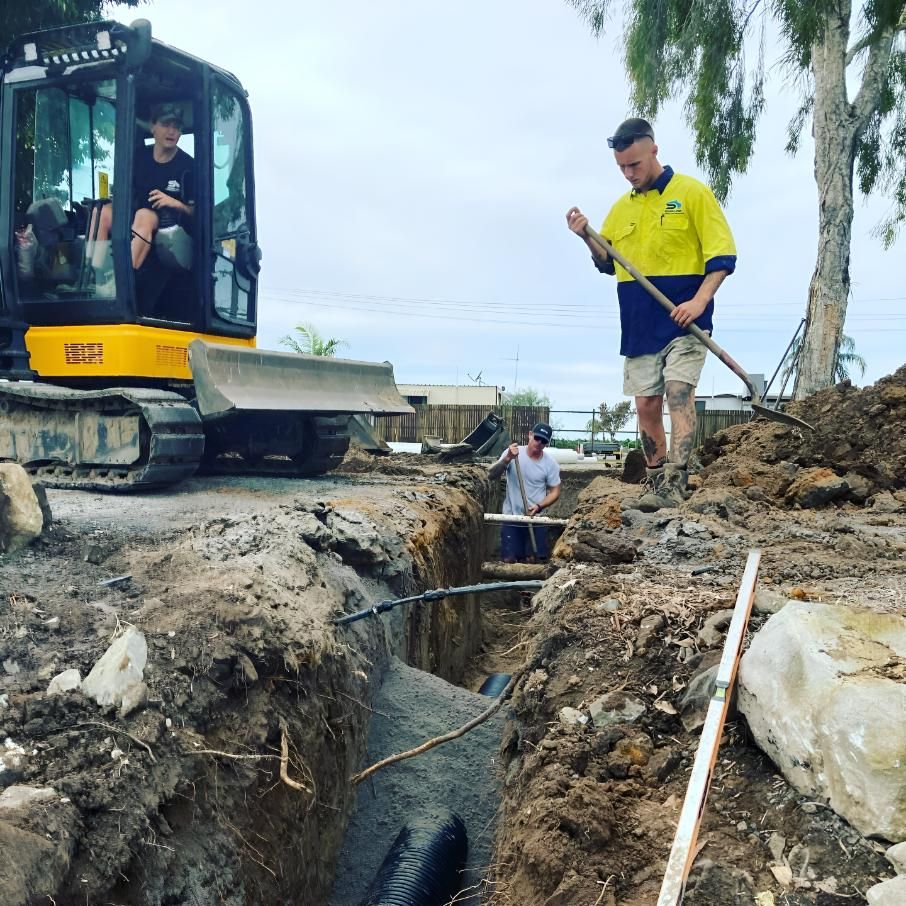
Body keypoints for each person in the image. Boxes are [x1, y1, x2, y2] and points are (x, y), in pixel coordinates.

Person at [565, 117, 736, 511]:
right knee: (646, 406)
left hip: (685, 320)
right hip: (640, 323)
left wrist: (699, 301)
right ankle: (657, 479)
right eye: (622, 167)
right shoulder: (621, 209)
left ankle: (678, 480)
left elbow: (723, 257)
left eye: (635, 165)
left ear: (654, 150)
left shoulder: (691, 194)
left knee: (679, 393)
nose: (629, 174)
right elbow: (607, 263)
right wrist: (586, 238)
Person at [90, 102, 194, 288]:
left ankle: (119, 286)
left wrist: (174, 203)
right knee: (102, 212)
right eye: (165, 125)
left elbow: (197, 213)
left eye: (176, 127)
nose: (171, 132)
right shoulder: (137, 157)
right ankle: (94, 277)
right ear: (153, 127)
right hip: (132, 212)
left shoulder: (188, 166)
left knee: (144, 215)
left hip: (166, 223)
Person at [488, 422, 561, 563]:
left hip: (536, 519)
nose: (539, 443)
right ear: (530, 435)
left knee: (533, 561)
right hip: (512, 518)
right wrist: (507, 458)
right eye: (537, 438)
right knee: (509, 560)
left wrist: (539, 506)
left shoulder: (550, 464)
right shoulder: (513, 454)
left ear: (547, 443)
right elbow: (491, 475)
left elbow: (555, 492)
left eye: (544, 441)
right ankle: (511, 585)